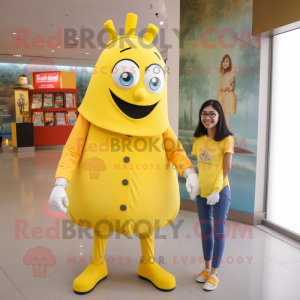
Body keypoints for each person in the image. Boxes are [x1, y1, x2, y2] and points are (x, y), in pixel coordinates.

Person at [191, 99, 234, 291]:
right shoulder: (199, 139)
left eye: (212, 114)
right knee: (205, 230)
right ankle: (206, 268)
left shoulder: (227, 139)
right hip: (202, 191)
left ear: (219, 116)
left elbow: (227, 167)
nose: (207, 117)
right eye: (204, 114)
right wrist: (195, 182)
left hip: (220, 191)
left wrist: (217, 190)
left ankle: (215, 274)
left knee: (219, 230)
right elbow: (201, 165)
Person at [217, 54, 236, 128]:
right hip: (222, 96)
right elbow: (219, 87)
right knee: (221, 115)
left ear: (229, 63)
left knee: (226, 114)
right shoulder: (221, 74)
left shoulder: (231, 73)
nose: (225, 63)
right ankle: (221, 131)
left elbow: (232, 87)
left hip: (228, 97)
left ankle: (226, 132)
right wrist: (218, 96)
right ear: (222, 63)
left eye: (227, 61)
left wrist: (228, 87)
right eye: (223, 61)